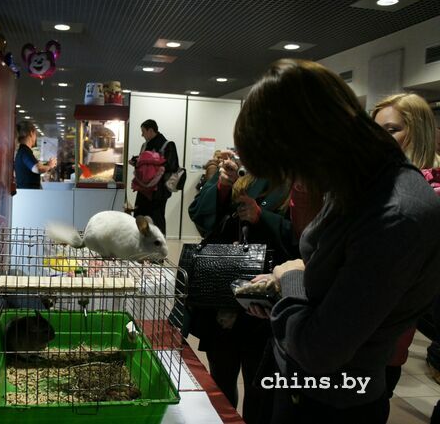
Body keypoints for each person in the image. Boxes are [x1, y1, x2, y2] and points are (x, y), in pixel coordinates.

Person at [240, 59, 440, 424]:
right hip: (302, 388)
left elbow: (320, 350)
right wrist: (284, 291)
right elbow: (332, 278)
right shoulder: (357, 180)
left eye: (292, 166)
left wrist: (291, 278)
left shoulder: (396, 212)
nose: (296, 180)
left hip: (334, 404)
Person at [187, 151, 298, 424]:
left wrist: (262, 217)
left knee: (259, 389)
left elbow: (302, 241)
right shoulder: (242, 176)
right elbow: (201, 217)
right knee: (220, 385)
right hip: (222, 296)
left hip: (262, 303)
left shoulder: (296, 182)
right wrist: (221, 185)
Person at [371, 93, 440, 399]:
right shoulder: (378, 179)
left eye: (391, 130)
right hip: (358, 318)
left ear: (418, 131)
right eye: (375, 130)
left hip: (387, 325)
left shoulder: (428, 190)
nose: (380, 139)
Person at [130, 119, 180, 235]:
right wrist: (136, 162)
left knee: (157, 219)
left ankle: (159, 243)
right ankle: (138, 241)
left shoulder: (168, 145)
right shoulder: (144, 146)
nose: (142, 135)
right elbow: (142, 164)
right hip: (143, 188)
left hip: (159, 191)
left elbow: (173, 165)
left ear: (151, 130)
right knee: (139, 216)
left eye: (143, 131)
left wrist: (153, 165)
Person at [14, 121, 56, 189]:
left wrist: (47, 164)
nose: (35, 138)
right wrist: (50, 166)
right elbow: (37, 168)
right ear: (31, 133)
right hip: (29, 193)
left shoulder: (22, 151)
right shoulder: (25, 151)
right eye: (35, 134)